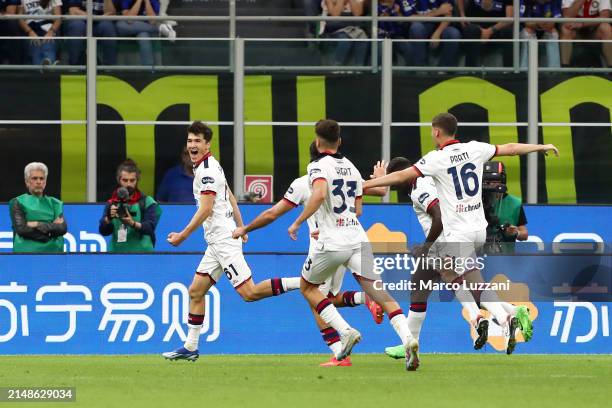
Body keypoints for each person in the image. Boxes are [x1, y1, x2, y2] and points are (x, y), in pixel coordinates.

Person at [363, 112, 557, 353]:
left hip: (457, 234)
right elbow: (511, 148)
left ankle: (505, 316)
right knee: (428, 280)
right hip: (478, 229)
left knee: (472, 285)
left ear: (436, 132)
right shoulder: (476, 148)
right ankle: (410, 343)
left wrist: (364, 184)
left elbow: (404, 175)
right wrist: (542, 146)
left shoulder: (435, 159)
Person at [232, 142, 386, 367]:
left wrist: (245, 228)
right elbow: (381, 191)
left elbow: (273, 213)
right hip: (348, 243)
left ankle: (340, 350)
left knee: (314, 297)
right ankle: (365, 299)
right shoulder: (341, 174)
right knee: (326, 299)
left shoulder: (303, 183)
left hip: (325, 249)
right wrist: (380, 177)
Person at [283, 119, 420, 371]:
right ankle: (408, 339)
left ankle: (345, 331)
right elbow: (358, 209)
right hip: (357, 237)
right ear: (340, 141)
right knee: (381, 294)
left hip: (332, 241)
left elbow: (320, 194)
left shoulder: (316, 166)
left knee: (308, 288)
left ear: (317, 141)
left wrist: (298, 222)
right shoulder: (351, 167)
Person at [162, 121, 301, 362]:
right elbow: (229, 197)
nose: (192, 145)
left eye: (197, 141)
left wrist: (183, 235)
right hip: (218, 242)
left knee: (250, 293)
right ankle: (191, 346)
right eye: (190, 141)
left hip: (223, 241)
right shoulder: (210, 165)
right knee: (196, 291)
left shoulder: (206, 171)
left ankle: (304, 281)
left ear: (207, 144)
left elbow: (205, 210)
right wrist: (241, 225)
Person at [380, 157, 533, 359]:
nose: (395, 182)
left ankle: (496, 318)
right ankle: (509, 313)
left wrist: (426, 247)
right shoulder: (427, 180)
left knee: (465, 284)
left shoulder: (420, 188)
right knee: (422, 287)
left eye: (395, 178)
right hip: (456, 238)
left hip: (447, 241)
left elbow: (438, 216)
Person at [99, 159, 162, 252]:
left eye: (132, 180)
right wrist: (107, 219)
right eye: (125, 180)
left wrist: (132, 223)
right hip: (116, 254)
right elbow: (104, 231)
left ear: (137, 180)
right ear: (118, 180)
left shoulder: (148, 202)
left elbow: (150, 227)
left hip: (142, 254)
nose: (128, 184)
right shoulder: (111, 203)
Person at [9, 162, 67, 252]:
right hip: (26, 253)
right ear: (27, 181)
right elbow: (22, 229)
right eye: (34, 178)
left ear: (45, 182)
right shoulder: (17, 202)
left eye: (41, 178)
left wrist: (37, 224)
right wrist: (49, 234)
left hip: (54, 253)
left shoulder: (55, 203)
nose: (38, 181)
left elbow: (62, 228)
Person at [399, 0, 462, 67]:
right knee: (416, 27)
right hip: (420, 27)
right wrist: (438, 11)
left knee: (453, 33)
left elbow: (448, 14)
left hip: (439, 26)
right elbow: (411, 18)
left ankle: (443, 69)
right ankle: (420, 68)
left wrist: (437, 33)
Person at [115, 0, 176, 66]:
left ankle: (148, 68)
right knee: (120, 25)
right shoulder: (127, 1)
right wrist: (139, 1)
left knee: (143, 36)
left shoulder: (154, 1)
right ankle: (159, 28)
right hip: (129, 28)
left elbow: (152, 21)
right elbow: (130, 20)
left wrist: (147, 1)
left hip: (145, 28)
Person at [458, 0, 514, 67]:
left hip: (496, 28)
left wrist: (490, 31)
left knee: (509, 31)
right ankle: (471, 72)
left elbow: (509, 18)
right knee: (472, 30)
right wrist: (462, 14)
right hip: (474, 26)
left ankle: (508, 72)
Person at [63, 0, 117, 65]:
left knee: (107, 27)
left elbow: (111, 14)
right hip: (81, 21)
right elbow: (73, 11)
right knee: (77, 26)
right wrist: (96, 18)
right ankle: (75, 66)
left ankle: (109, 67)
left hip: (100, 24)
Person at [560, 0, 612, 67]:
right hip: (576, 32)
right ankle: (565, 68)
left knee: (606, 28)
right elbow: (567, 16)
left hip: (594, 32)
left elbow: (605, 17)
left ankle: (611, 68)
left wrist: (582, 24)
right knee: (565, 29)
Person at [320, 0, 369, 66]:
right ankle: (337, 65)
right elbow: (335, 15)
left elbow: (357, 14)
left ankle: (359, 66)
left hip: (352, 27)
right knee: (344, 38)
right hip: (334, 29)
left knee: (362, 38)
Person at [519, 0, 562, 68]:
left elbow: (554, 21)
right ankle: (525, 69)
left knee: (553, 32)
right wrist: (538, 23)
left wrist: (544, 24)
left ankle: (554, 70)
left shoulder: (554, 1)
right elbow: (525, 22)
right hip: (529, 28)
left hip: (544, 28)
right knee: (528, 31)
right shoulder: (525, 1)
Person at [18, 0, 62, 65]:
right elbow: (20, 19)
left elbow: (58, 18)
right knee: (35, 47)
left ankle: (49, 61)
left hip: (48, 27)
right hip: (31, 28)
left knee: (48, 43)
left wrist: (51, 31)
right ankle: (49, 65)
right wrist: (30, 32)